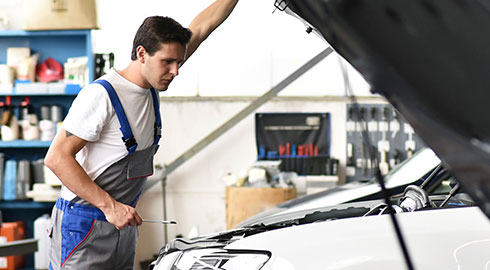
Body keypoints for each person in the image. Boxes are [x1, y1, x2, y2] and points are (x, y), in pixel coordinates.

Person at [44, 1, 239, 269]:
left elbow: (203, 27)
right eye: (168, 62)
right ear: (142, 53)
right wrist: (111, 207)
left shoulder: (153, 81)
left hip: (122, 224)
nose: (175, 71)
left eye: (179, 62)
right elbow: (56, 158)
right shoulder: (102, 96)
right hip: (84, 225)